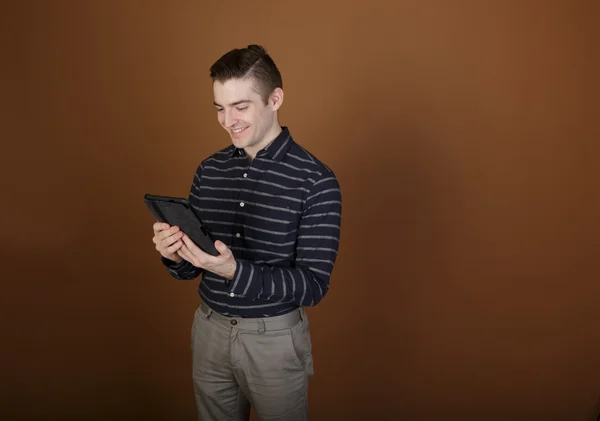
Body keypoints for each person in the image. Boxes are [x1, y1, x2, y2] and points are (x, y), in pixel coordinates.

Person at [151, 44, 342, 421]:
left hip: (275, 343)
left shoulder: (316, 181)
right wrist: (174, 255)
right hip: (209, 332)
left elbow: (313, 286)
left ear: (275, 99)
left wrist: (235, 272)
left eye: (240, 106)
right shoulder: (209, 170)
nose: (228, 120)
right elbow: (196, 266)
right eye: (220, 108)